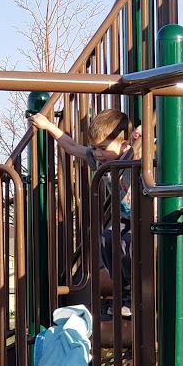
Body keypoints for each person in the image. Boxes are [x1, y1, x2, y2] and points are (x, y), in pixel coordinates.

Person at [28, 109, 141, 317]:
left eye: (103, 148)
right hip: (126, 217)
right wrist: (48, 125)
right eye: (94, 148)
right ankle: (126, 292)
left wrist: (142, 135)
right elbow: (71, 147)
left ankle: (136, 294)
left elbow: (147, 145)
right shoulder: (99, 161)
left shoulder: (133, 154)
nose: (98, 153)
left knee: (127, 243)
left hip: (145, 217)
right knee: (106, 240)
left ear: (123, 145)